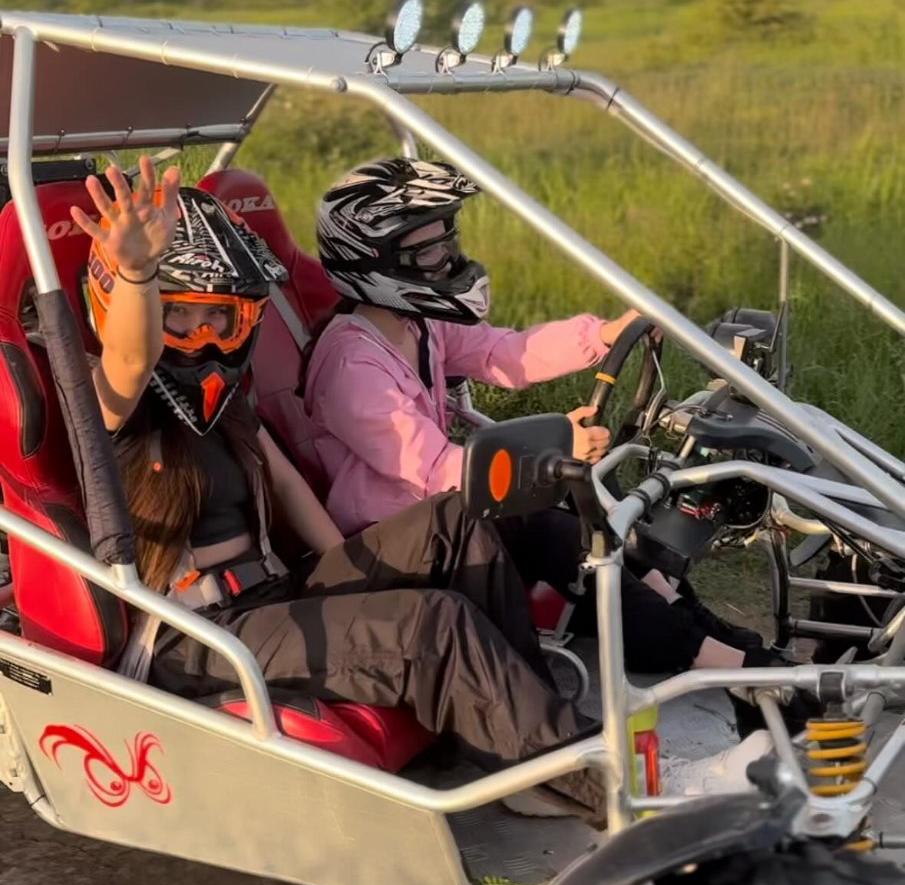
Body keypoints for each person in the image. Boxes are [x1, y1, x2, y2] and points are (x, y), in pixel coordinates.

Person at [73, 155, 609, 820]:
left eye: (222, 322)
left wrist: (362, 580)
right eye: (181, 320)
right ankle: (591, 783)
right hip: (198, 634)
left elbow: (291, 490)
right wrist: (136, 270)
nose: (203, 340)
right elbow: (131, 355)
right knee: (431, 624)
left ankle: (528, 743)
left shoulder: (220, 404)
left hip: (272, 594)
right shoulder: (111, 410)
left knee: (455, 519)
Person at [305, 157, 774, 676]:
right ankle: (713, 657)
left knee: (586, 505)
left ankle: (682, 618)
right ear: (378, 260)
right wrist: (553, 454)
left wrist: (601, 336)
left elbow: (505, 354)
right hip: (393, 539)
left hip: (439, 517)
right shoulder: (352, 364)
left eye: (446, 242)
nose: (447, 259)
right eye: (429, 250)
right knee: (551, 525)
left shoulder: (417, 323)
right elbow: (435, 468)